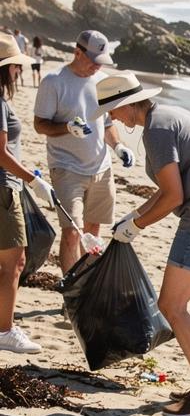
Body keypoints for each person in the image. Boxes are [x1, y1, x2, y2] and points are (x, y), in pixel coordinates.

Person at [93, 73, 190, 416]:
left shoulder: (157, 132)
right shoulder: (169, 114)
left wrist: (137, 225)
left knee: (170, 305)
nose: (113, 118)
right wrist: (135, 214)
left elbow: (174, 195)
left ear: (125, 105)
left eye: (112, 111)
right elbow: (172, 190)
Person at [33, 30, 135, 273]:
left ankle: (85, 285)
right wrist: (67, 128)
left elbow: (107, 124)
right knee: (71, 233)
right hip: (67, 169)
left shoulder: (101, 81)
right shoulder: (53, 81)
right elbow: (40, 125)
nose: (97, 67)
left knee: (93, 233)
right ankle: (71, 295)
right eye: (93, 61)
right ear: (77, 53)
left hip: (102, 169)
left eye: (102, 62)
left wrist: (118, 146)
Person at [0, 34, 56, 354]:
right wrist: (33, 182)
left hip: (8, 184)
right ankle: (5, 330)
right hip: (4, 189)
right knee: (15, 262)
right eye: (15, 67)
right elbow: (2, 153)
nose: (19, 72)